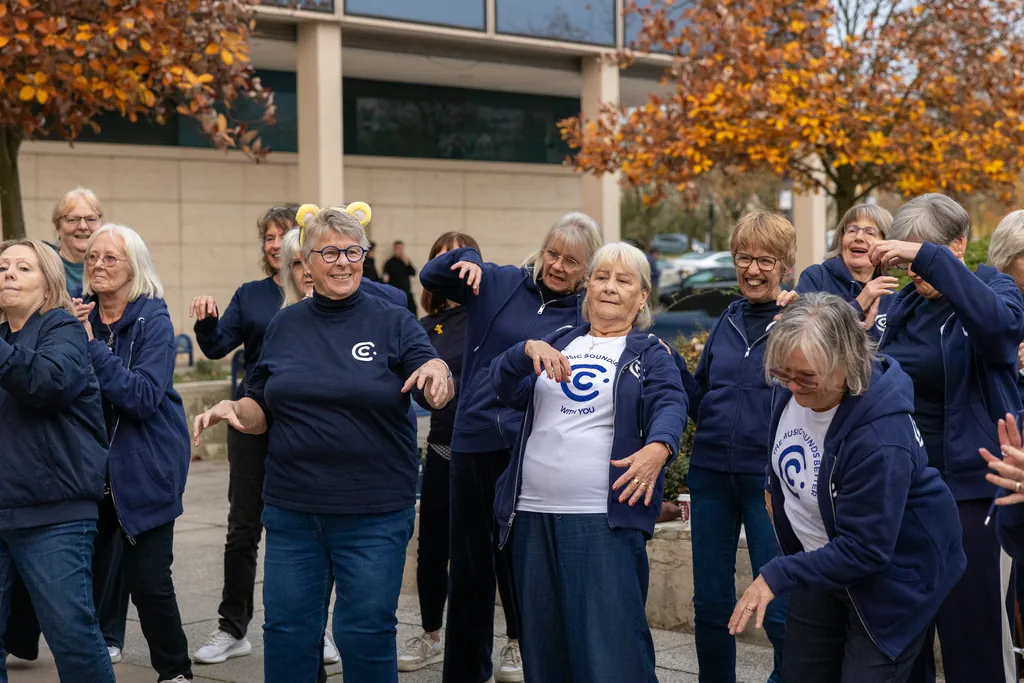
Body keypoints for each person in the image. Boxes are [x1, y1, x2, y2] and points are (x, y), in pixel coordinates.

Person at [191, 206, 453, 683]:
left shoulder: (392, 320)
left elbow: (431, 373)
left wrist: (439, 375)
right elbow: (260, 405)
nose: (343, 261)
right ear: (304, 263)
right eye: (328, 251)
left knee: (366, 632)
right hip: (294, 512)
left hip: (373, 513)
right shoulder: (285, 325)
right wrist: (235, 411)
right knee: (288, 632)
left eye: (353, 251)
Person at [729, 292, 966, 683]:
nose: (793, 386)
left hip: (895, 578)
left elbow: (865, 549)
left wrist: (778, 573)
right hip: (822, 562)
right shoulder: (792, 386)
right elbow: (788, 446)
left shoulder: (880, 437)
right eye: (782, 373)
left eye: (807, 377)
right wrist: (773, 486)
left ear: (846, 362)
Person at [490, 242, 688, 682]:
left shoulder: (649, 352)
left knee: (612, 651)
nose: (610, 288)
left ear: (641, 298)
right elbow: (501, 388)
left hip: (602, 519)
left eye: (624, 280)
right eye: (601, 277)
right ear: (587, 288)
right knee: (543, 649)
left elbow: (671, 402)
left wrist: (659, 447)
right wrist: (521, 352)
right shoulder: (558, 341)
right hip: (532, 514)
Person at [419, 212, 603, 683]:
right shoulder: (498, 282)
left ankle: (528, 657)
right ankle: (464, 673)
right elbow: (430, 276)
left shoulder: (584, 314)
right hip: (475, 444)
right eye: (553, 254)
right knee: (470, 571)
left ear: (587, 268)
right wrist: (468, 259)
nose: (559, 266)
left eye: (572, 262)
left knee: (529, 573)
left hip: (534, 451)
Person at [872, 193, 1024, 683]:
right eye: (909, 257)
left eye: (928, 254)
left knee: (974, 636)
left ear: (958, 245)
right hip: (908, 489)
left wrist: (929, 261)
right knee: (906, 634)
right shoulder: (905, 306)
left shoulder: (993, 288)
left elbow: (1000, 332)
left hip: (975, 492)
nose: (917, 271)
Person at [72, 224, 194, 683]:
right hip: (87, 471)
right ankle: (93, 662)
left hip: (145, 468)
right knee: (81, 581)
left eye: (110, 258)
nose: (99, 265)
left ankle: (175, 671)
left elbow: (142, 396)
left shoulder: (152, 320)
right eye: (93, 258)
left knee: (149, 583)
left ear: (134, 267)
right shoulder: (79, 316)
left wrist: (88, 347)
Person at [682, 210, 793, 682]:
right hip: (710, 477)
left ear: (786, 265)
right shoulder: (727, 319)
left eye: (765, 260)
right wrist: (670, 372)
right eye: (744, 258)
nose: (752, 269)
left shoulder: (798, 320)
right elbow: (702, 396)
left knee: (783, 608)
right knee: (709, 603)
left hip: (769, 483)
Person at [0, 239, 114, 683]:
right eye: (3, 266)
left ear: (48, 285)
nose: (8, 273)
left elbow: (47, 383)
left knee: (72, 635)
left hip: (54, 516)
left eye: (22, 268)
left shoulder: (62, 329)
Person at [399, 231, 479, 672]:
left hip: (488, 454)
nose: (451, 268)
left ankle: (516, 641)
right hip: (442, 450)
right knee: (431, 549)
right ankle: (431, 633)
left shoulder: (490, 318)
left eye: (460, 259)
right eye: (441, 260)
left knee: (488, 553)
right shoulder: (423, 328)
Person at [795, 203, 896, 336]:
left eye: (870, 232)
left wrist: (869, 330)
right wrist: (858, 305)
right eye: (852, 230)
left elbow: (889, 354)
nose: (859, 237)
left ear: (885, 244)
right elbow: (802, 334)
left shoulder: (892, 299)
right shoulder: (816, 278)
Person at [46, 187, 104, 298]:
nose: (83, 226)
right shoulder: (44, 268)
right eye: (73, 219)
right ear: (58, 227)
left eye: (91, 219)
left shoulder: (114, 267)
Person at [382, 240, 418, 315]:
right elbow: (385, 278)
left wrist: (407, 263)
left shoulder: (405, 261)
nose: (400, 251)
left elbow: (413, 273)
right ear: (394, 249)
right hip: (395, 294)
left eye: (402, 249)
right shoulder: (389, 263)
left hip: (407, 293)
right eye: (398, 249)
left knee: (413, 311)